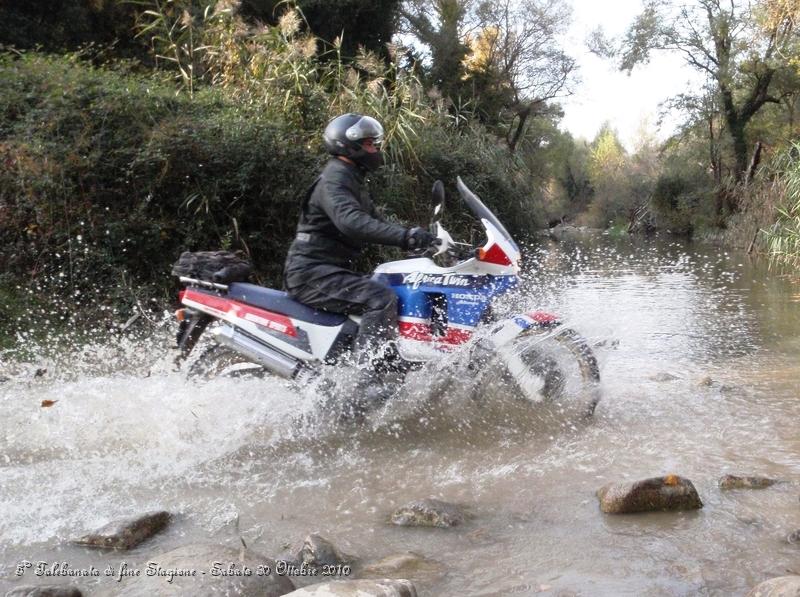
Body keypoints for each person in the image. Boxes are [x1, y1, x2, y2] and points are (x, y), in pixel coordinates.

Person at [283, 113, 437, 407]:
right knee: (380, 298)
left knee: (394, 285)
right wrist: (406, 237)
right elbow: (351, 222)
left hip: (329, 269)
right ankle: (364, 382)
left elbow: (376, 223)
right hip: (312, 272)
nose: (376, 149)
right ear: (349, 146)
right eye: (369, 144)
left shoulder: (351, 178)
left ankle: (386, 371)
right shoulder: (335, 178)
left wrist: (423, 240)